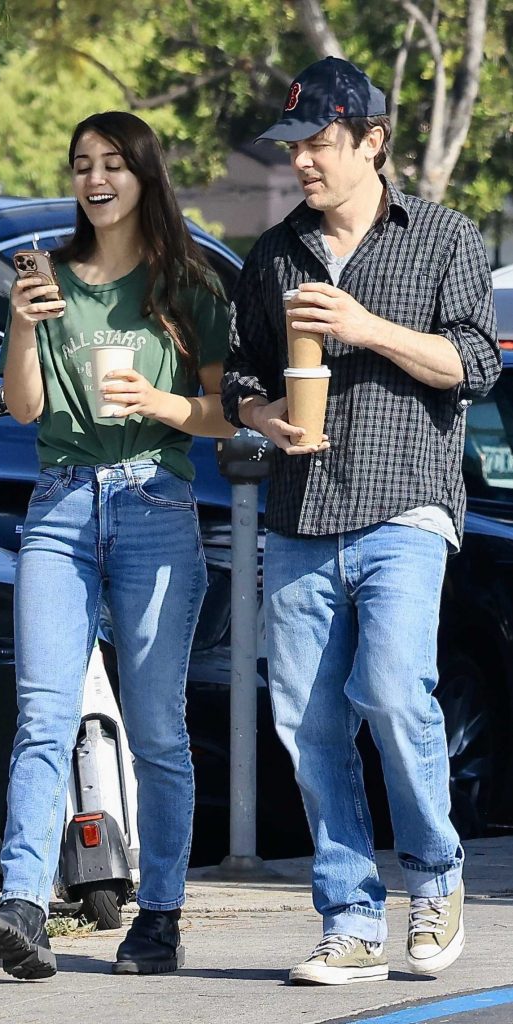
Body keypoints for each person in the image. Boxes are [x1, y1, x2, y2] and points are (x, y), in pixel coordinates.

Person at [221, 57, 501, 985]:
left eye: (317, 144)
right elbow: (246, 377)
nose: (300, 162)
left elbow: (473, 364)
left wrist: (365, 324)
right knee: (305, 721)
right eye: (291, 147)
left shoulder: (445, 239)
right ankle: (348, 916)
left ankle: (434, 875)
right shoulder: (272, 254)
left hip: (406, 505)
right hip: (300, 515)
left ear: (372, 142)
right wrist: (262, 418)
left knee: (389, 689)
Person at [0, 110, 235, 980]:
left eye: (113, 163)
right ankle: (21, 907)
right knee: (44, 717)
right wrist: (22, 326)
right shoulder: (52, 280)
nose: (94, 178)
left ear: (144, 174)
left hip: (156, 501)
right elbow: (29, 409)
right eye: (81, 163)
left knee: (157, 729)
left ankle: (158, 915)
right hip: (60, 508)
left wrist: (156, 406)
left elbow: (222, 414)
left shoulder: (188, 284)